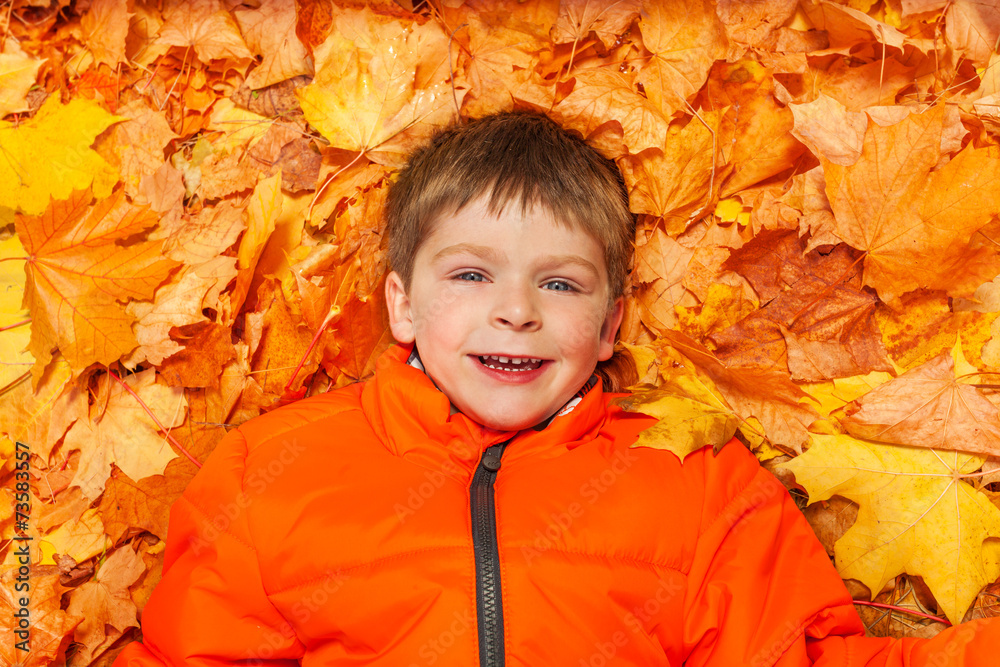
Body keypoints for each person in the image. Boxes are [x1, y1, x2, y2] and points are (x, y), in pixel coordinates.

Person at [114, 112, 998, 666]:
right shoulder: (277, 470)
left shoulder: (696, 482)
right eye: (470, 276)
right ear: (402, 304)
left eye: (561, 285)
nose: (516, 313)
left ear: (611, 325)